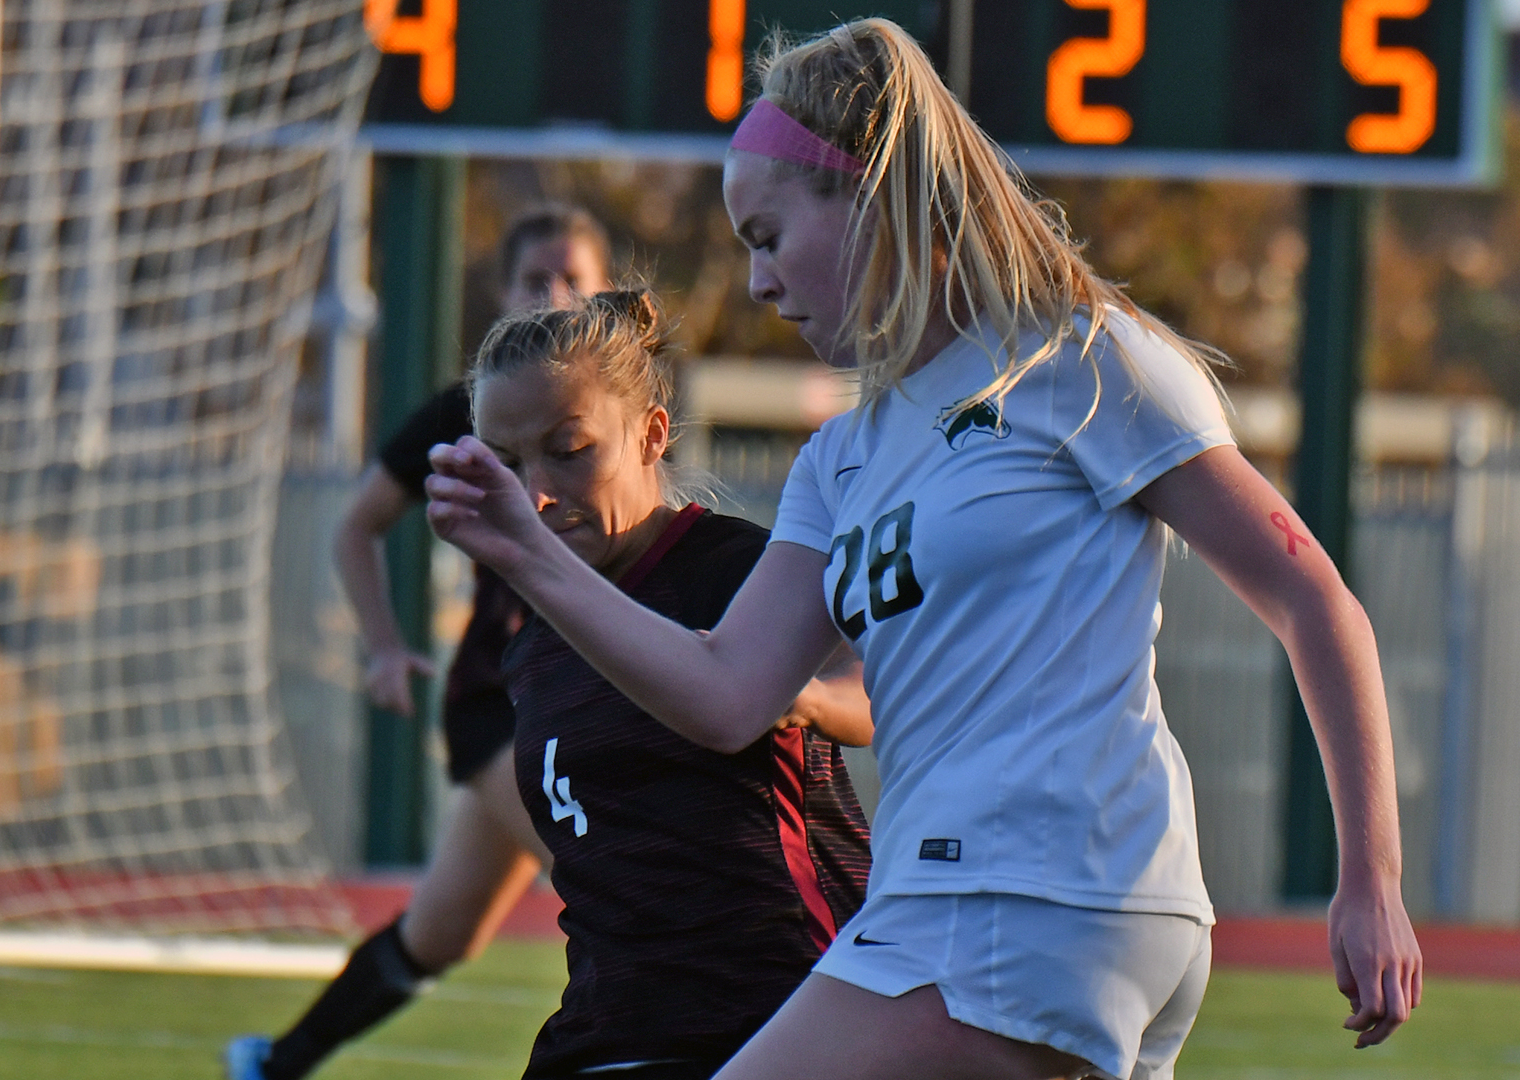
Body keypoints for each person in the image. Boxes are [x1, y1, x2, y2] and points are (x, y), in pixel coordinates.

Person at [424, 18, 1421, 1080]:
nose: (758, 284)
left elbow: (1315, 599)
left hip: (1031, 896)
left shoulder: (1073, 356)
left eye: (767, 237)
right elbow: (724, 694)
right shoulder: (843, 458)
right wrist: (530, 555)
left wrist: (1373, 878)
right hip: (984, 906)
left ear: (868, 194)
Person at [227, 206, 616, 1080]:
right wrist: (385, 646)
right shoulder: (467, 411)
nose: (554, 294)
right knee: (619, 887)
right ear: (503, 294)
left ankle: (272, 1064)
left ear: (608, 297)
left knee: (436, 935)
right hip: (507, 708)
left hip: (589, 703)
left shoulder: (626, 418)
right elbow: (356, 525)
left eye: (574, 279)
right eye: (534, 280)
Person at [471, 289, 873, 1079]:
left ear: (652, 435)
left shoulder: (737, 571)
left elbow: (874, 691)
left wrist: (800, 699)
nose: (537, 496)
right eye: (507, 463)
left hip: (773, 1013)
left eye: (570, 449)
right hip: (611, 1024)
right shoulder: (535, 642)